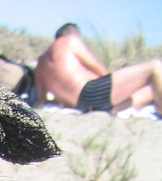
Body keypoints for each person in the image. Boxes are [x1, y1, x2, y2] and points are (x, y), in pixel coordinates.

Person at [34, 23, 162, 115]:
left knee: (150, 92)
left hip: (84, 105)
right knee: (154, 68)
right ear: (75, 34)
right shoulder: (71, 41)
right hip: (91, 93)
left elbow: (41, 100)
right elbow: (100, 70)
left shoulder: (41, 62)